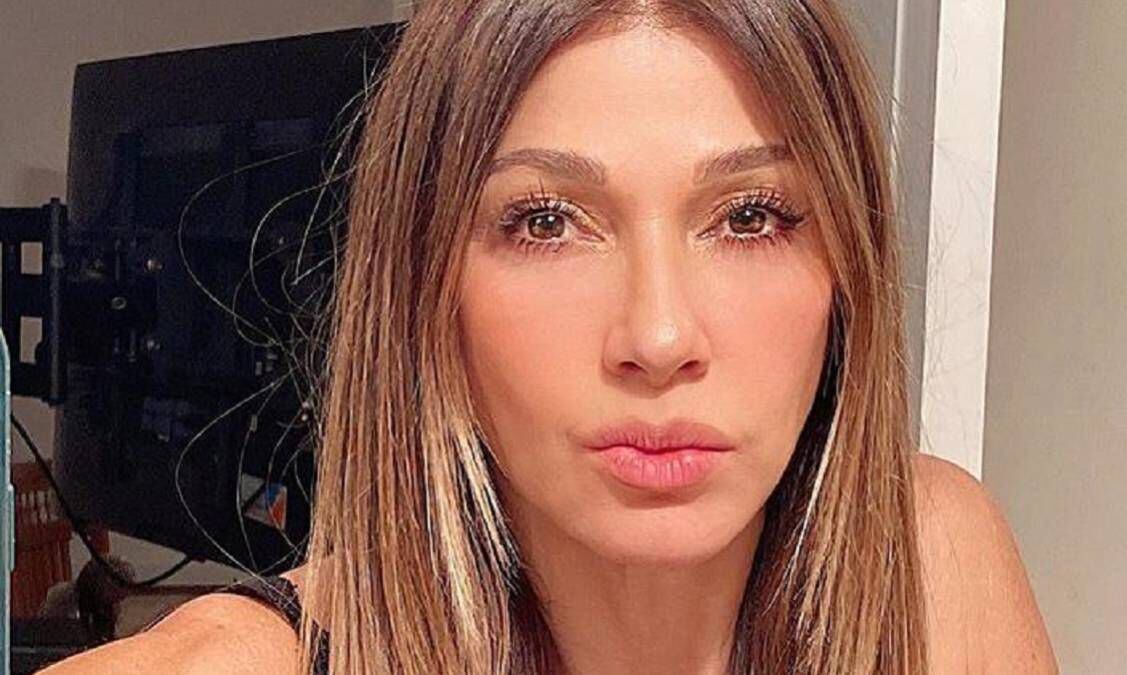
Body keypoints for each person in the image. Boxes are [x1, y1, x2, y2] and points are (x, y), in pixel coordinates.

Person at [42, 1, 1058, 673]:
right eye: (545, 221)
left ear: (846, 263)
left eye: (751, 216)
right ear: (427, 288)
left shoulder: (934, 563)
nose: (659, 334)